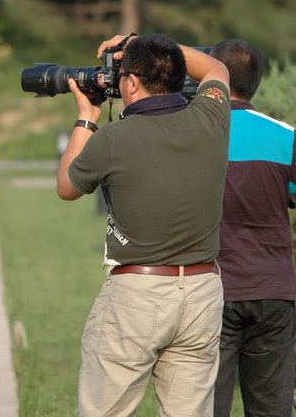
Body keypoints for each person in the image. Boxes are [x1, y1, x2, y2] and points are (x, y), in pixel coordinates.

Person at [57, 33, 230, 417]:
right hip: (203, 291)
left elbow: (67, 186)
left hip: (138, 292)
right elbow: (215, 68)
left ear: (131, 82)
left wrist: (86, 118)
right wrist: (146, 42)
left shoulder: (115, 138)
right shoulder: (211, 117)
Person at [210, 39, 296, 417]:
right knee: (272, 407)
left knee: (207, 405)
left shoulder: (195, 133)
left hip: (211, 290)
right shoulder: (287, 137)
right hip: (274, 290)